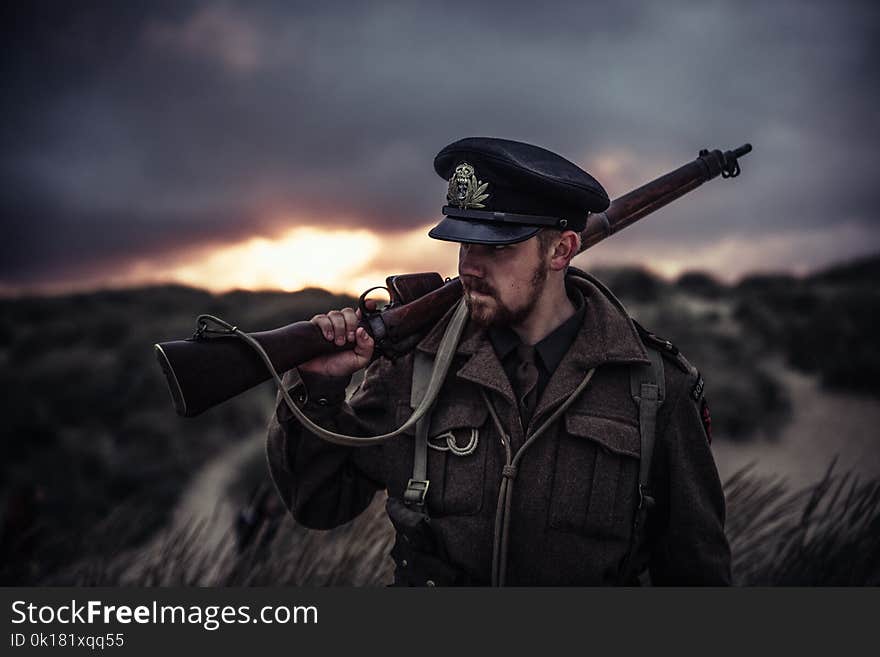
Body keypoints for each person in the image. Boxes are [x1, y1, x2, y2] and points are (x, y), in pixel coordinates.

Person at [266, 137, 731, 586]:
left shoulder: (652, 386)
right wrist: (318, 390)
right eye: (465, 244)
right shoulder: (412, 366)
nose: (469, 266)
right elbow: (321, 505)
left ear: (562, 249)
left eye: (497, 248)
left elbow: (695, 574)